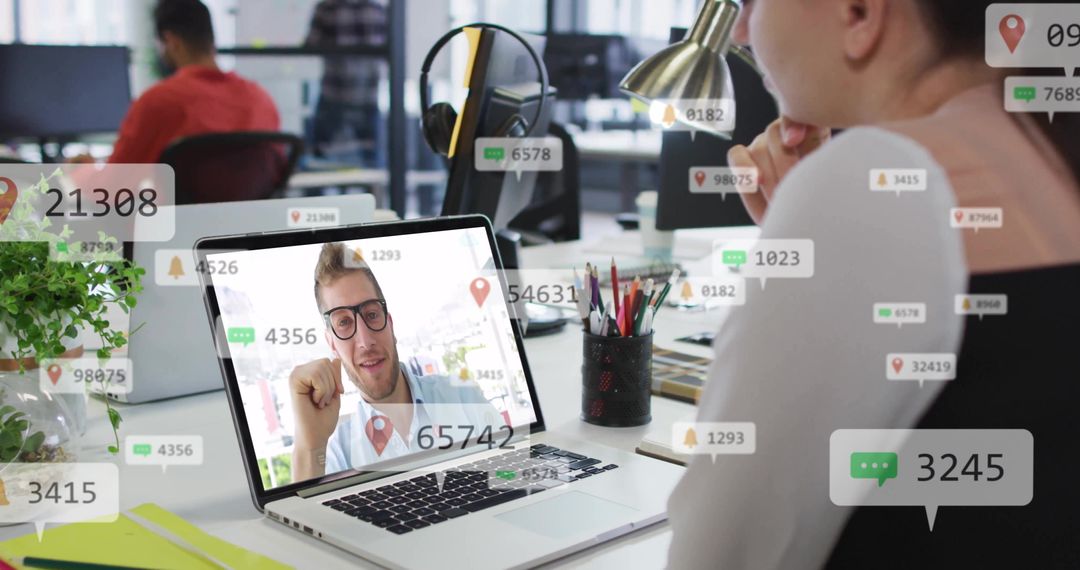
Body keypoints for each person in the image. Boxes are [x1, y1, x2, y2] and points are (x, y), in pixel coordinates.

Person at [666, 0, 1080, 568]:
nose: (740, 30)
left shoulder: (874, 182)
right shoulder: (1049, 146)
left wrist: (818, 224)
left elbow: (720, 552)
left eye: (752, 3)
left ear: (860, 14)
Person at [290, 243, 497, 482]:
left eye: (371, 314)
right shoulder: (338, 453)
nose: (365, 342)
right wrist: (310, 445)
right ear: (332, 344)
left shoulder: (462, 398)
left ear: (390, 324)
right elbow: (305, 515)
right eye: (344, 323)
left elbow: (510, 473)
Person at [104, 0, 280, 164]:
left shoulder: (158, 101)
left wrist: (82, 169)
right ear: (210, 38)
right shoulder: (261, 100)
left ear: (170, 41)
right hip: (251, 198)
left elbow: (113, 188)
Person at [304, 0, 388, 165]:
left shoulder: (327, 8)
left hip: (334, 93)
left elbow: (310, 45)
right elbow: (392, 49)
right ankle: (375, 191)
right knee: (371, 161)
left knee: (317, 159)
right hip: (367, 94)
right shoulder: (376, 9)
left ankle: (317, 189)